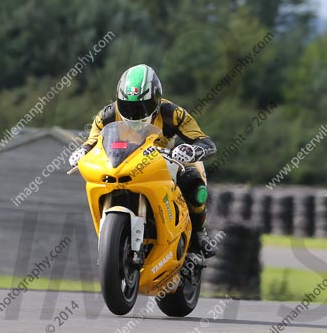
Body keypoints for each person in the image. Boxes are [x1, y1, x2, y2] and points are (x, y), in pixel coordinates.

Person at [69, 64, 218, 257]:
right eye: (127, 106)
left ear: (156, 99)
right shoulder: (106, 115)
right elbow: (92, 141)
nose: (133, 113)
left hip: (166, 163)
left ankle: (199, 234)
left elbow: (206, 142)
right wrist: (81, 151)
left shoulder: (173, 113)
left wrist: (191, 150)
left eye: (141, 107)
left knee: (195, 185)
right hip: (125, 164)